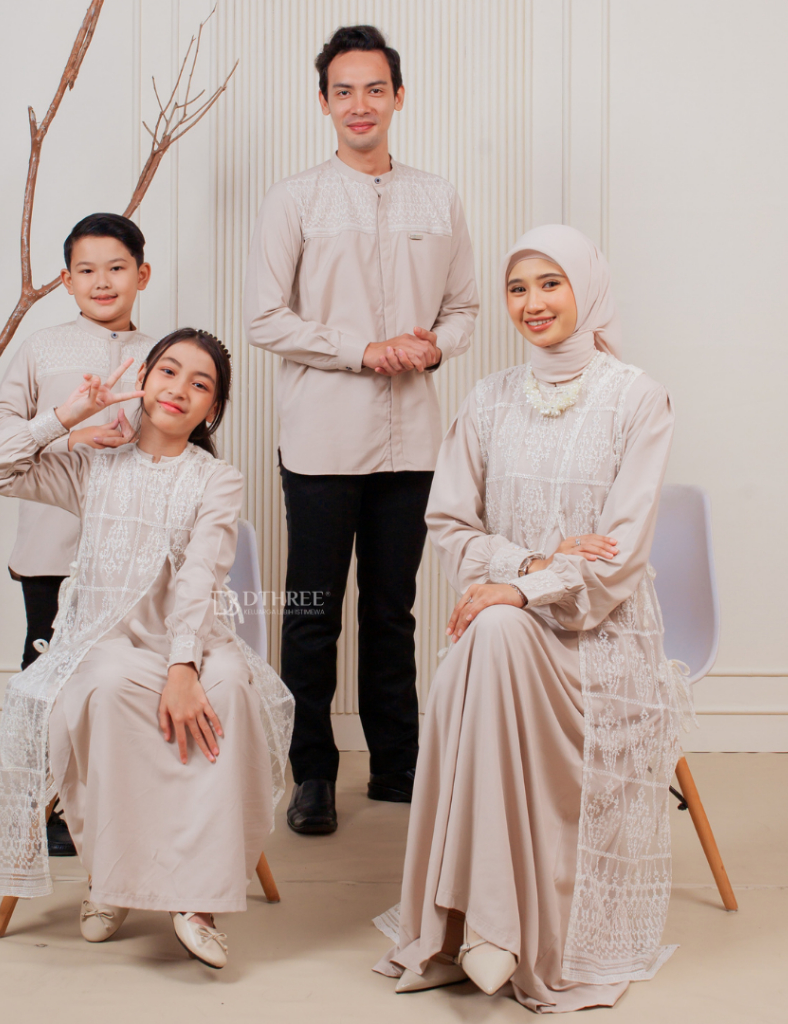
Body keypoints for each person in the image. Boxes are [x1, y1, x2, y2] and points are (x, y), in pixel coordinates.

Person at [375, 224, 689, 1010]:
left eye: (550, 283)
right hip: (507, 627)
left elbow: (619, 551)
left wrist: (528, 585)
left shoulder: (638, 398)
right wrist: (528, 569)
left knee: (493, 630)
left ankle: (478, 924)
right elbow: (449, 523)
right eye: (517, 288)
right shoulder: (487, 399)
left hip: (602, 640)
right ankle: (490, 924)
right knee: (495, 631)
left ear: (587, 288)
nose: (532, 302)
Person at [0, 330, 294, 969]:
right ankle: (112, 880)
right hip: (102, 637)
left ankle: (197, 901)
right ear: (142, 379)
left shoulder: (217, 479)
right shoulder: (92, 465)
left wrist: (183, 666)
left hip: (194, 637)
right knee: (110, 683)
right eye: (168, 371)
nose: (179, 389)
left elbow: (202, 575)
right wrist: (70, 416)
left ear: (213, 410)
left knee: (229, 688)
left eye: (200, 384)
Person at [244, 25, 479, 834]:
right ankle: (311, 773)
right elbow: (265, 318)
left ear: (398, 97)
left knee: (392, 610)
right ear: (323, 102)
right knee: (312, 612)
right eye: (343, 90)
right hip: (321, 441)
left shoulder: (438, 197)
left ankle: (397, 764)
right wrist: (362, 350)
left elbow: (465, 308)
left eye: (374, 88)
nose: (359, 104)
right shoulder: (295, 199)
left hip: (412, 442)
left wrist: (433, 345)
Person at [0, 212, 156, 856]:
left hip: (135, 549)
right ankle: (44, 802)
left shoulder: (162, 353)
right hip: (52, 545)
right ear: (66, 280)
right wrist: (68, 431)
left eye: (116, 268)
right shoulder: (41, 348)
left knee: (123, 674)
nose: (102, 282)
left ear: (142, 274)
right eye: (87, 270)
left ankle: (120, 799)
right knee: (46, 670)